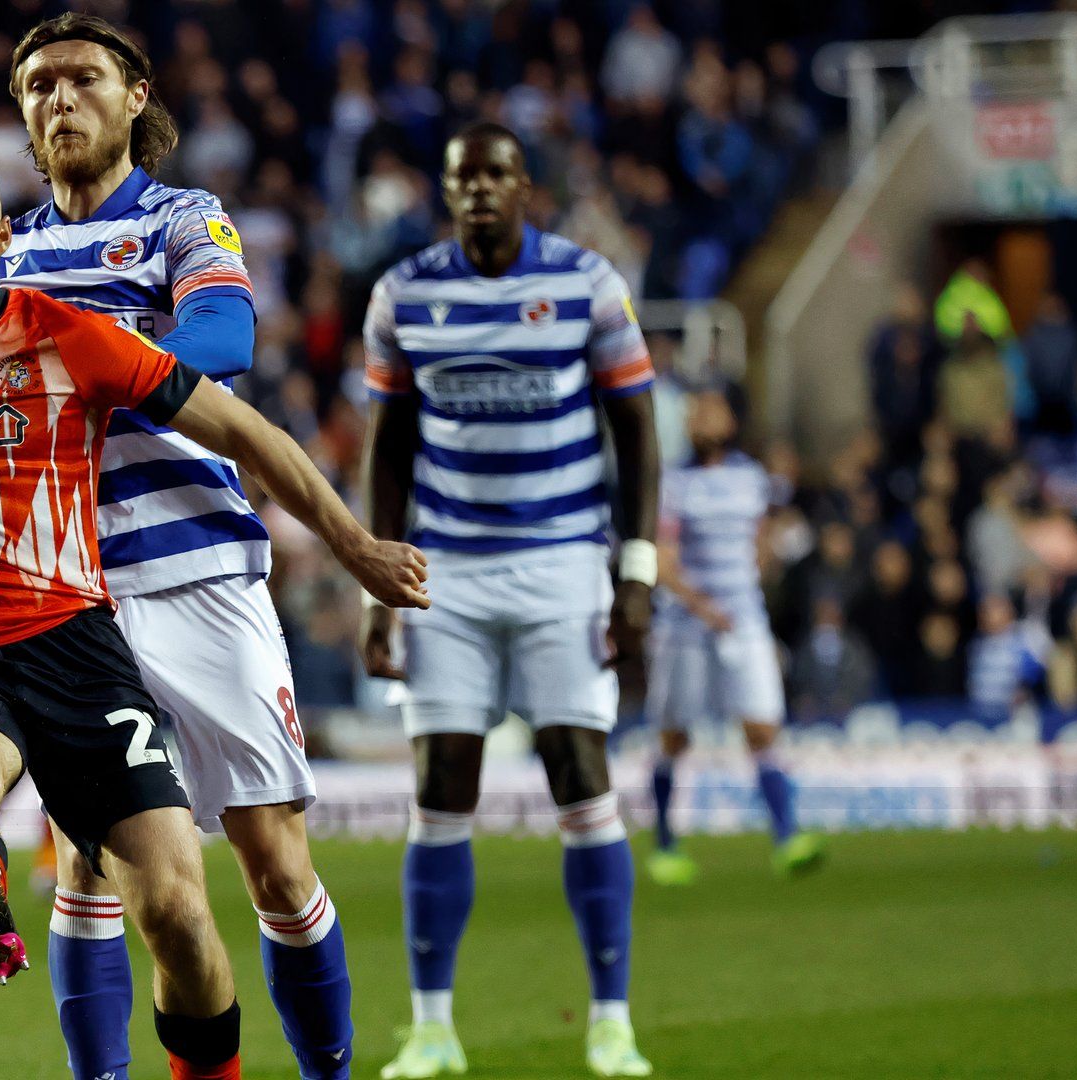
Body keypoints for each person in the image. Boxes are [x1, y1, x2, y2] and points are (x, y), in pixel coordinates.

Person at [0, 148, 428, 1080]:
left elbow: (245, 428)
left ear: (1, 240)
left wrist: (356, 546)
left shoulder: (66, 336)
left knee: (176, 908)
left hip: (75, 641)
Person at [0, 14, 355, 1080]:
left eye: (83, 78)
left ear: (137, 96)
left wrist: (75, 374)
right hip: (66, 590)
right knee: (90, 871)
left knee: (277, 866)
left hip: (199, 572)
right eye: (38, 85)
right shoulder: (2, 249)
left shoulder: (182, 220)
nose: (60, 99)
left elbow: (221, 344)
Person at [359, 122, 659, 1079]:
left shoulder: (587, 283)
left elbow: (636, 434)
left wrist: (637, 572)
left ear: (526, 185)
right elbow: (389, 445)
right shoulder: (403, 294)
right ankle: (433, 1027)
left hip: (565, 560)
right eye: (462, 178)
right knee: (441, 787)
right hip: (446, 569)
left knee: (581, 771)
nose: (479, 190)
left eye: (496, 174)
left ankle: (611, 1020)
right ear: (447, 193)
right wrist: (379, 575)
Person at [644, 389, 827, 887]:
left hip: (743, 620)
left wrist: (755, 574)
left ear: (729, 418)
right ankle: (664, 843)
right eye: (693, 413)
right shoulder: (674, 483)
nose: (698, 420)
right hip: (685, 628)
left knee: (763, 727)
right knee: (674, 735)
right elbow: (662, 556)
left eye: (709, 409)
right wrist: (701, 605)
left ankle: (788, 838)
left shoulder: (750, 478)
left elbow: (763, 539)